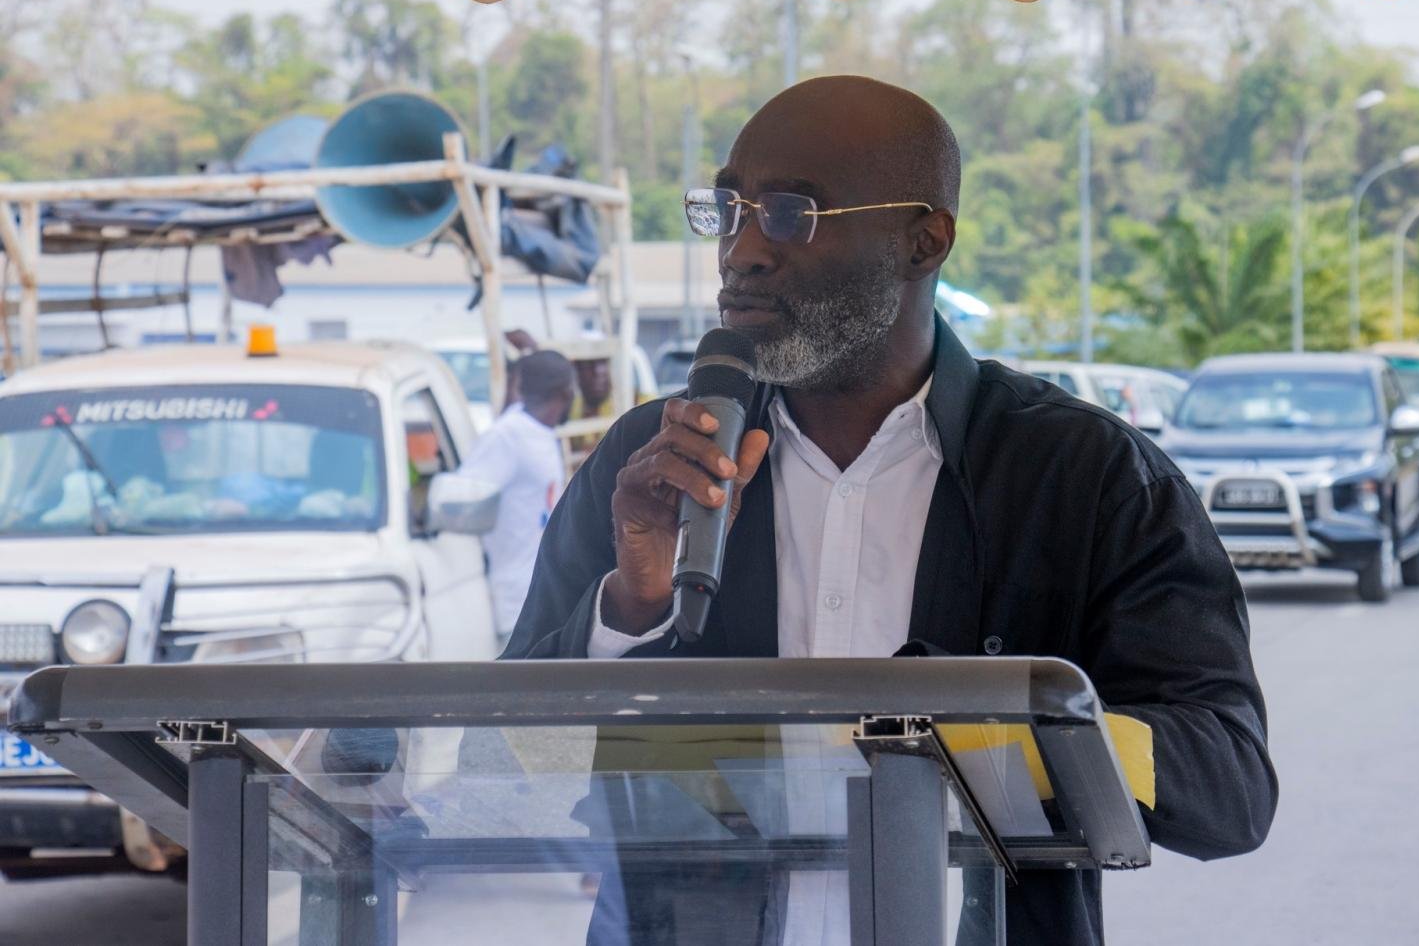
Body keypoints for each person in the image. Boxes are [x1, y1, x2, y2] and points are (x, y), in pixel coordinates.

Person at [503, 76, 1276, 945]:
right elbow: (498, 766)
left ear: (923, 241)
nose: (741, 250)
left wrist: (977, 731)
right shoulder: (653, 465)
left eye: (791, 213)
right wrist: (630, 609)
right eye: (729, 208)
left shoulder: (1088, 478)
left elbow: (1229, 786)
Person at [449, 350, 575, 639]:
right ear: (567, 392)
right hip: (516, 605)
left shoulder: (538, 431)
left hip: (544, 602)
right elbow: (461, 497)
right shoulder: (507, 436)